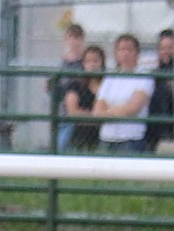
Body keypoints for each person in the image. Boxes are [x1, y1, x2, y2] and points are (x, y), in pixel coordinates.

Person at [94, 33, 153, 153]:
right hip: (107, 138)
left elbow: (134, 107)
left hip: (131, 139)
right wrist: (120, 110)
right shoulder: (110, 77)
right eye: (121, 49)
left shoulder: (144, 76)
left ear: (137, 53)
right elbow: (97, 110)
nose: (125, 53)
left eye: (129, 49)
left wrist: (108, 112)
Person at [49, 23, 86, 151]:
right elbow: (52, 85)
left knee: (65, 145)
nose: (74, 41)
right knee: (59, 144)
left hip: (78, 109)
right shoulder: (61, 63)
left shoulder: (84, 62)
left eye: (77, 37)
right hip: (61, 110)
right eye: (71, 37)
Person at [62, 44, 105, 151]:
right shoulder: (76, 85)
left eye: (96, 61)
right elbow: (73, 112)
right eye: (88, 61)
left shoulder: (108, 85)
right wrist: (97, 118)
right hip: (79, 136)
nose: (92, 65)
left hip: (103, 137)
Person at [145, 28, 174, 152]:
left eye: (170, 47)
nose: (166, 52)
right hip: (155, 127)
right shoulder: (154, 73)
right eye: (163, 48)